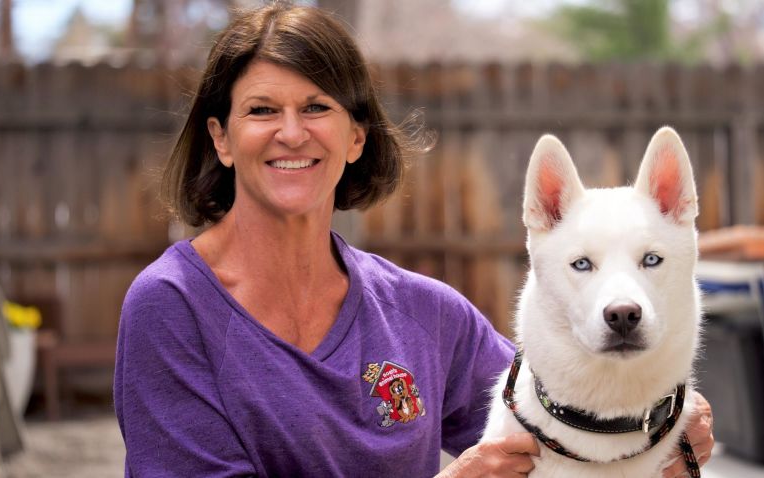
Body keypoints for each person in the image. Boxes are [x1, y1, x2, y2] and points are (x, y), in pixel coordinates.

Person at [113, 3, 714, 477]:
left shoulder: (424, 315)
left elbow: (561, 432)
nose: (291, 133)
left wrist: (662, 430)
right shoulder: (171, 307)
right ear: (220, 139)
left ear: (355, 139)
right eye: (262, 110)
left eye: (317, 107)